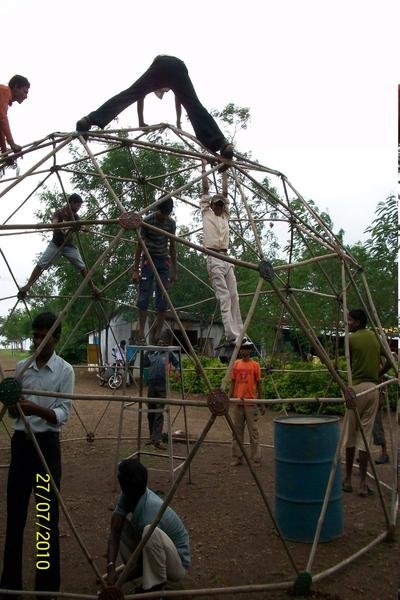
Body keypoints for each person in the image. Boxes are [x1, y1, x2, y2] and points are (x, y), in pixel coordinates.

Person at [0, 311, 74, 594]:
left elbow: (62, 415)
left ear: (56, 338)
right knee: (15, 514)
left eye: (46, 336)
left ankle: (46, 587)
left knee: (46, 517)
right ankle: (10, 583)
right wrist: (13, 405)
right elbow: (12, 414)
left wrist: (34, 409)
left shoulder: (65, 371)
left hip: (46, 448)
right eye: (36, 335)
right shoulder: (22, 368)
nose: (39, 341)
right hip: (22, 446)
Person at [76, 55, 233, 159]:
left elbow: (139, 96)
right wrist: (177, 122)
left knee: (130, 93)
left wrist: (141, 121)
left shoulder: (157, 80)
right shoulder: (169, 83)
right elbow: (182, 101)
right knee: (195, 106)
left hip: (160, 63)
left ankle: (89, 120)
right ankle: (223, 144)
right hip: (178, 66)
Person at [105, 459, 191, 594]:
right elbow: (115, 532)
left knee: (149, 532)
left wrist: (120, 580)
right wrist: (111, 568)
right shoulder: (129, 494)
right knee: (119, 524)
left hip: (176, 565)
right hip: (154, 552)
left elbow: (143, 563)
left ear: (123, 485)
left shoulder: (150, 511)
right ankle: (150, 581)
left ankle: (155, 587)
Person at [343, 308, 390, 497]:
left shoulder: (351, 339)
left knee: (350, 436)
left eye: (350, 320)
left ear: (358, 322)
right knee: (365, 437)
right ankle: (362, 483)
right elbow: (390, 361)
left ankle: (348, 479)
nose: (347, 323)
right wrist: (377, 375)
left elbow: (348, 364)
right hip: (373, 389)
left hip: (355, 390)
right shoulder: (375, 337)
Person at [18, 193, 100, 298]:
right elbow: (54, 224)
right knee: (41, 264)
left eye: (80, 206)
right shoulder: (59, 212)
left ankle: (93, 288)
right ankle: (28, 286)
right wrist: (62, 227)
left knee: (82, 266)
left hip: (69, 246)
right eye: (78, 205)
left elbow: (82, 227)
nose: (78, 208)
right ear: (72, 203)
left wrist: (82, 228)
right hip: (56, 244)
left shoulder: (75, 216)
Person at [200, 160, 243, 345]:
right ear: (211, 205)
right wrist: (203, 166)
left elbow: (225, 193)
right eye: (216, 204)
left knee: (234, 296)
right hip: (213, 257)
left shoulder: (225, 216)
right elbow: (205, 188)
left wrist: (225, 169)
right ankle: (231, 334)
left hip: (226, 257)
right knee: (224, 296)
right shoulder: (206, 213)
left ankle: (239, 332)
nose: (218, 207)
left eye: (220, 205)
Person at [132, 198, 177, 345]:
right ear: (158, 209)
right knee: (143, 297)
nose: (164, 216)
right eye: (163, 213)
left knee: (163, 298)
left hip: (163, 261)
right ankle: (141, 335)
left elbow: (172, 247)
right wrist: (136, 270)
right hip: (148, 260)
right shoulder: (147, 221)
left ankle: (158, 336)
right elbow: (140, 245)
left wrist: (174, 271)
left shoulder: (171, 223)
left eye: (167, 214)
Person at [230, 339, 262, 467]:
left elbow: (259, 384)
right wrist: (229, 398)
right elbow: (233, 382)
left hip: (251, 402)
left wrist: (261, 403)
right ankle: (238, 457)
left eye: (246, 349)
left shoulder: (255, 365)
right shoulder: (236, 364)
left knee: (253, 431)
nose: (244, 351)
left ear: (250, 351)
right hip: (238, 402)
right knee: (237, 431)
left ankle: (256, 458)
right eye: (242, 349)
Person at [144, 337, 180, 449]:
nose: (161, 343)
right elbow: (144, 363)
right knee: (151, 411)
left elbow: (177, 363)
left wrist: (177, 371)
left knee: (159, 412)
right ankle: (152, 437)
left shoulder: (168, 353)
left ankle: (158, 439)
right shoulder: (153, 353)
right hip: (151, 385)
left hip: (162, 386)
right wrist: (146, 352)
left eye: (163, 342)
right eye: (159, 342)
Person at [0, 75, 30, 163]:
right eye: (25, 92)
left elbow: (0, 127)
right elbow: (2, 118)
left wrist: (5, 154)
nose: (26, 96)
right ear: (16, 86)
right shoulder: (4, 90)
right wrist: (12, 144)